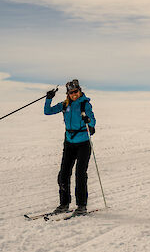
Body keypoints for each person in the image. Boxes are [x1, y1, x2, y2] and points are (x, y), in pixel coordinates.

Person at [44, 79, 96, 216]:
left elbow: (93, 120)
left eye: (76, 91)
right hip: (69, 143)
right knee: (63, 174)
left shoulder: (85, 104)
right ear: (68, 93)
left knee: (80, 174)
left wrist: (88, 121)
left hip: (83, 143)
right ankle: (64, 204)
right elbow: (47, 111)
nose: (74, 94)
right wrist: (49, 98)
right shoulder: (64, 104)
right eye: (71, 92)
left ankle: (81, 206)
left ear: (79, 91)